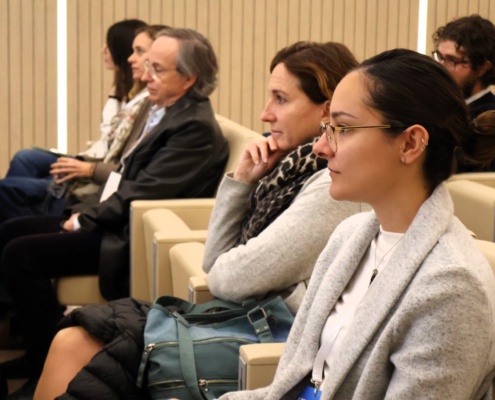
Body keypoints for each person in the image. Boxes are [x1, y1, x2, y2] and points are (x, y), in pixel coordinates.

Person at [32, 41, 366, 400]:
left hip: (260, 340)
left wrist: (228, 264)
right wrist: (241, 182)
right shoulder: (286, 172)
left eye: (281, 99)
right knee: (76, 337)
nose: (265, 114)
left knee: (76, 340)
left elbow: (226, 279)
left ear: (326, 111)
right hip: (236, 319)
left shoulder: (330, 186)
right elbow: (215, 265)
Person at [217, 49, 495, 400]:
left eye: (343, 129)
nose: (320, 147)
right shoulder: (349, 237)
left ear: (410, 143)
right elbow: (292, 385)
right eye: (327, 129)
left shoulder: (451, 287)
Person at [0, 27, 229, 398]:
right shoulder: (165, 109)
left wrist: (84, 219)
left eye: (157, 69)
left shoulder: (194, 127)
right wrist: (84, 211)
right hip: (116, 221)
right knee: (10, 231)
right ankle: (31, 349)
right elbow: (124, 176)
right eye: (148, 66)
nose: (145, 76)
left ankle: (45, 362)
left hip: (125, 237)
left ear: (188, 78)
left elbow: (143, 192)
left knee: (20, 254)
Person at [0, 19, 147, 222]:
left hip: (100, 171)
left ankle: (32, 216)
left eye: (108, 45)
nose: (103, 50)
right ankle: (26, 216)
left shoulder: (145, 103)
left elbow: (120, 160)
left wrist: (89, 167)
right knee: (25, 159)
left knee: (10, 184)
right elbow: (108, 137)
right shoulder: (123, 90)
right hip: (96, 161)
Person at [432, 14, 495, 119]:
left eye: (452, 60)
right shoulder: (440, 106)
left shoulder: (488, 120)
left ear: (482, 68)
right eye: (440, 57)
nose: (441, 66)